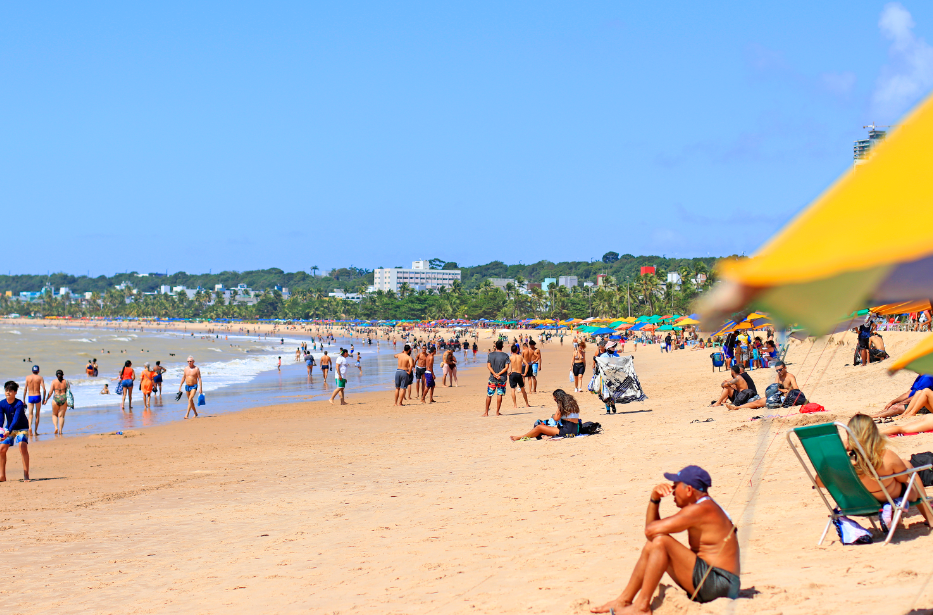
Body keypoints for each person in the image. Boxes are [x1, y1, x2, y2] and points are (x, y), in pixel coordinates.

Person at [590, 466, 740, 612]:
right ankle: (623, 601)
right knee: (654, 544)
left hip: (720, 583)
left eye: (675, 486)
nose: (672, 491)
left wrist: (654, 499)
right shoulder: (708, 506)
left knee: (662, 542)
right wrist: (655, 499)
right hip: (718, 581)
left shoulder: (700, 509)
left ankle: (641, 606)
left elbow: (650, 530)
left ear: (688, 490)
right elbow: (651, 534)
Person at [839, 415, 933, 527]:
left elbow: (821, 482)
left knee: (901, 467)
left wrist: (839, 453)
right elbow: (903, 478)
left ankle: (894, 518)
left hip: (858, 503)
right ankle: (930, 519)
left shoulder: (844, 463)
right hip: (887, 498)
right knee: (909, 473)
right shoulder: (886, 456)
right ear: (874, 433)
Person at [510, 389, 581, 440]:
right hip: (575, 429)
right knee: (544, 428)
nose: (555, 401)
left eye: (555, 399)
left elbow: (556, 418)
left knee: (539, 427)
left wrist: (553, 415)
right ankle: (527, 435)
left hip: (566, 431)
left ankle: (521, 436)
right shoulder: (573, 404)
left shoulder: (562, 405)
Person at [1, 381, 30, 482]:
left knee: (22, 447)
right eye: (6, 390)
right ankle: (2, 476)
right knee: (1, 449)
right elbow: (1, 418)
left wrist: (9, 430)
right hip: (9, 428)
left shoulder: (19, 404)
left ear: (15, 392)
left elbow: (16, 419)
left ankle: (26, 475)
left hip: (22, 427)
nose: (8, 393)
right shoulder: (2, 403)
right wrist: (0, 429)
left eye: (10, 391)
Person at [484, 340, 509, 416]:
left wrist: (495, 374)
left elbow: (489, 366)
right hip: (502, 378)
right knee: (499, 394)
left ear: (495, 346)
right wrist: (499, 374)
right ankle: (497, 412)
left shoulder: (491, 355)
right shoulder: (505, 355)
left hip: (493, 378)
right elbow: (506, 367)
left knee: (489, 394)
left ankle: (486, 412)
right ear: (502, 346)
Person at [46, 370, 71, 435]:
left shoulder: (54, 382)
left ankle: (56, 427)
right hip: (63, 399)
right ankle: (60, 431)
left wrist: (46, 400)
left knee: (54, 414)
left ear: (56, 375)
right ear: (63, 375)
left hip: (55, 399)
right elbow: (69, 393)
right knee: (61, 416)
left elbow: (50, 392)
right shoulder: (66, 382)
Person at [23, 365, 45, 435]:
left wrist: (24, 399)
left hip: (30, 396)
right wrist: (44, 398)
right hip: (37, 396)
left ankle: (29, 427)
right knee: (37, 414)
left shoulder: (27, 377)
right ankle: (35, 431)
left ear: (32, 371)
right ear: (38, 371)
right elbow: (44, 389)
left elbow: (25, 389)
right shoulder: (40, 378)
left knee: (30, 414)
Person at [508, 343, 530, 409]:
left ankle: (515, 405)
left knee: (513, 389)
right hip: (519, 374)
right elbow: (527, 365)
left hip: (513, 373)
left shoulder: (510, 357)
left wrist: (507, 373)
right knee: (523, 389)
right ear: (517, 350)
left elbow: (506, 365)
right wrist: (525, 373)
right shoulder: (520, 357)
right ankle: (527, 404)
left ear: (511, 351)